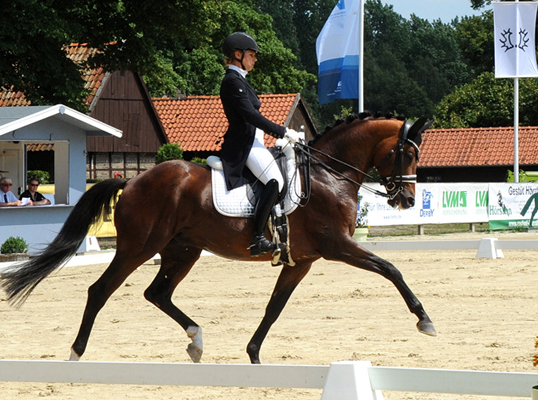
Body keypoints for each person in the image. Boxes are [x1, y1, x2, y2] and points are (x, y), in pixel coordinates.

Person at [219, 32, 300, 257]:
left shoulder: (240, 80)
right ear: (238, 54)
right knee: (275, 181)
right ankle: (257, 239)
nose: (254, 59)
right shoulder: (232, 82)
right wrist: (283, 131)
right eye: (251, 55)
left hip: (255, 143)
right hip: (244, 146)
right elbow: (252, 117)